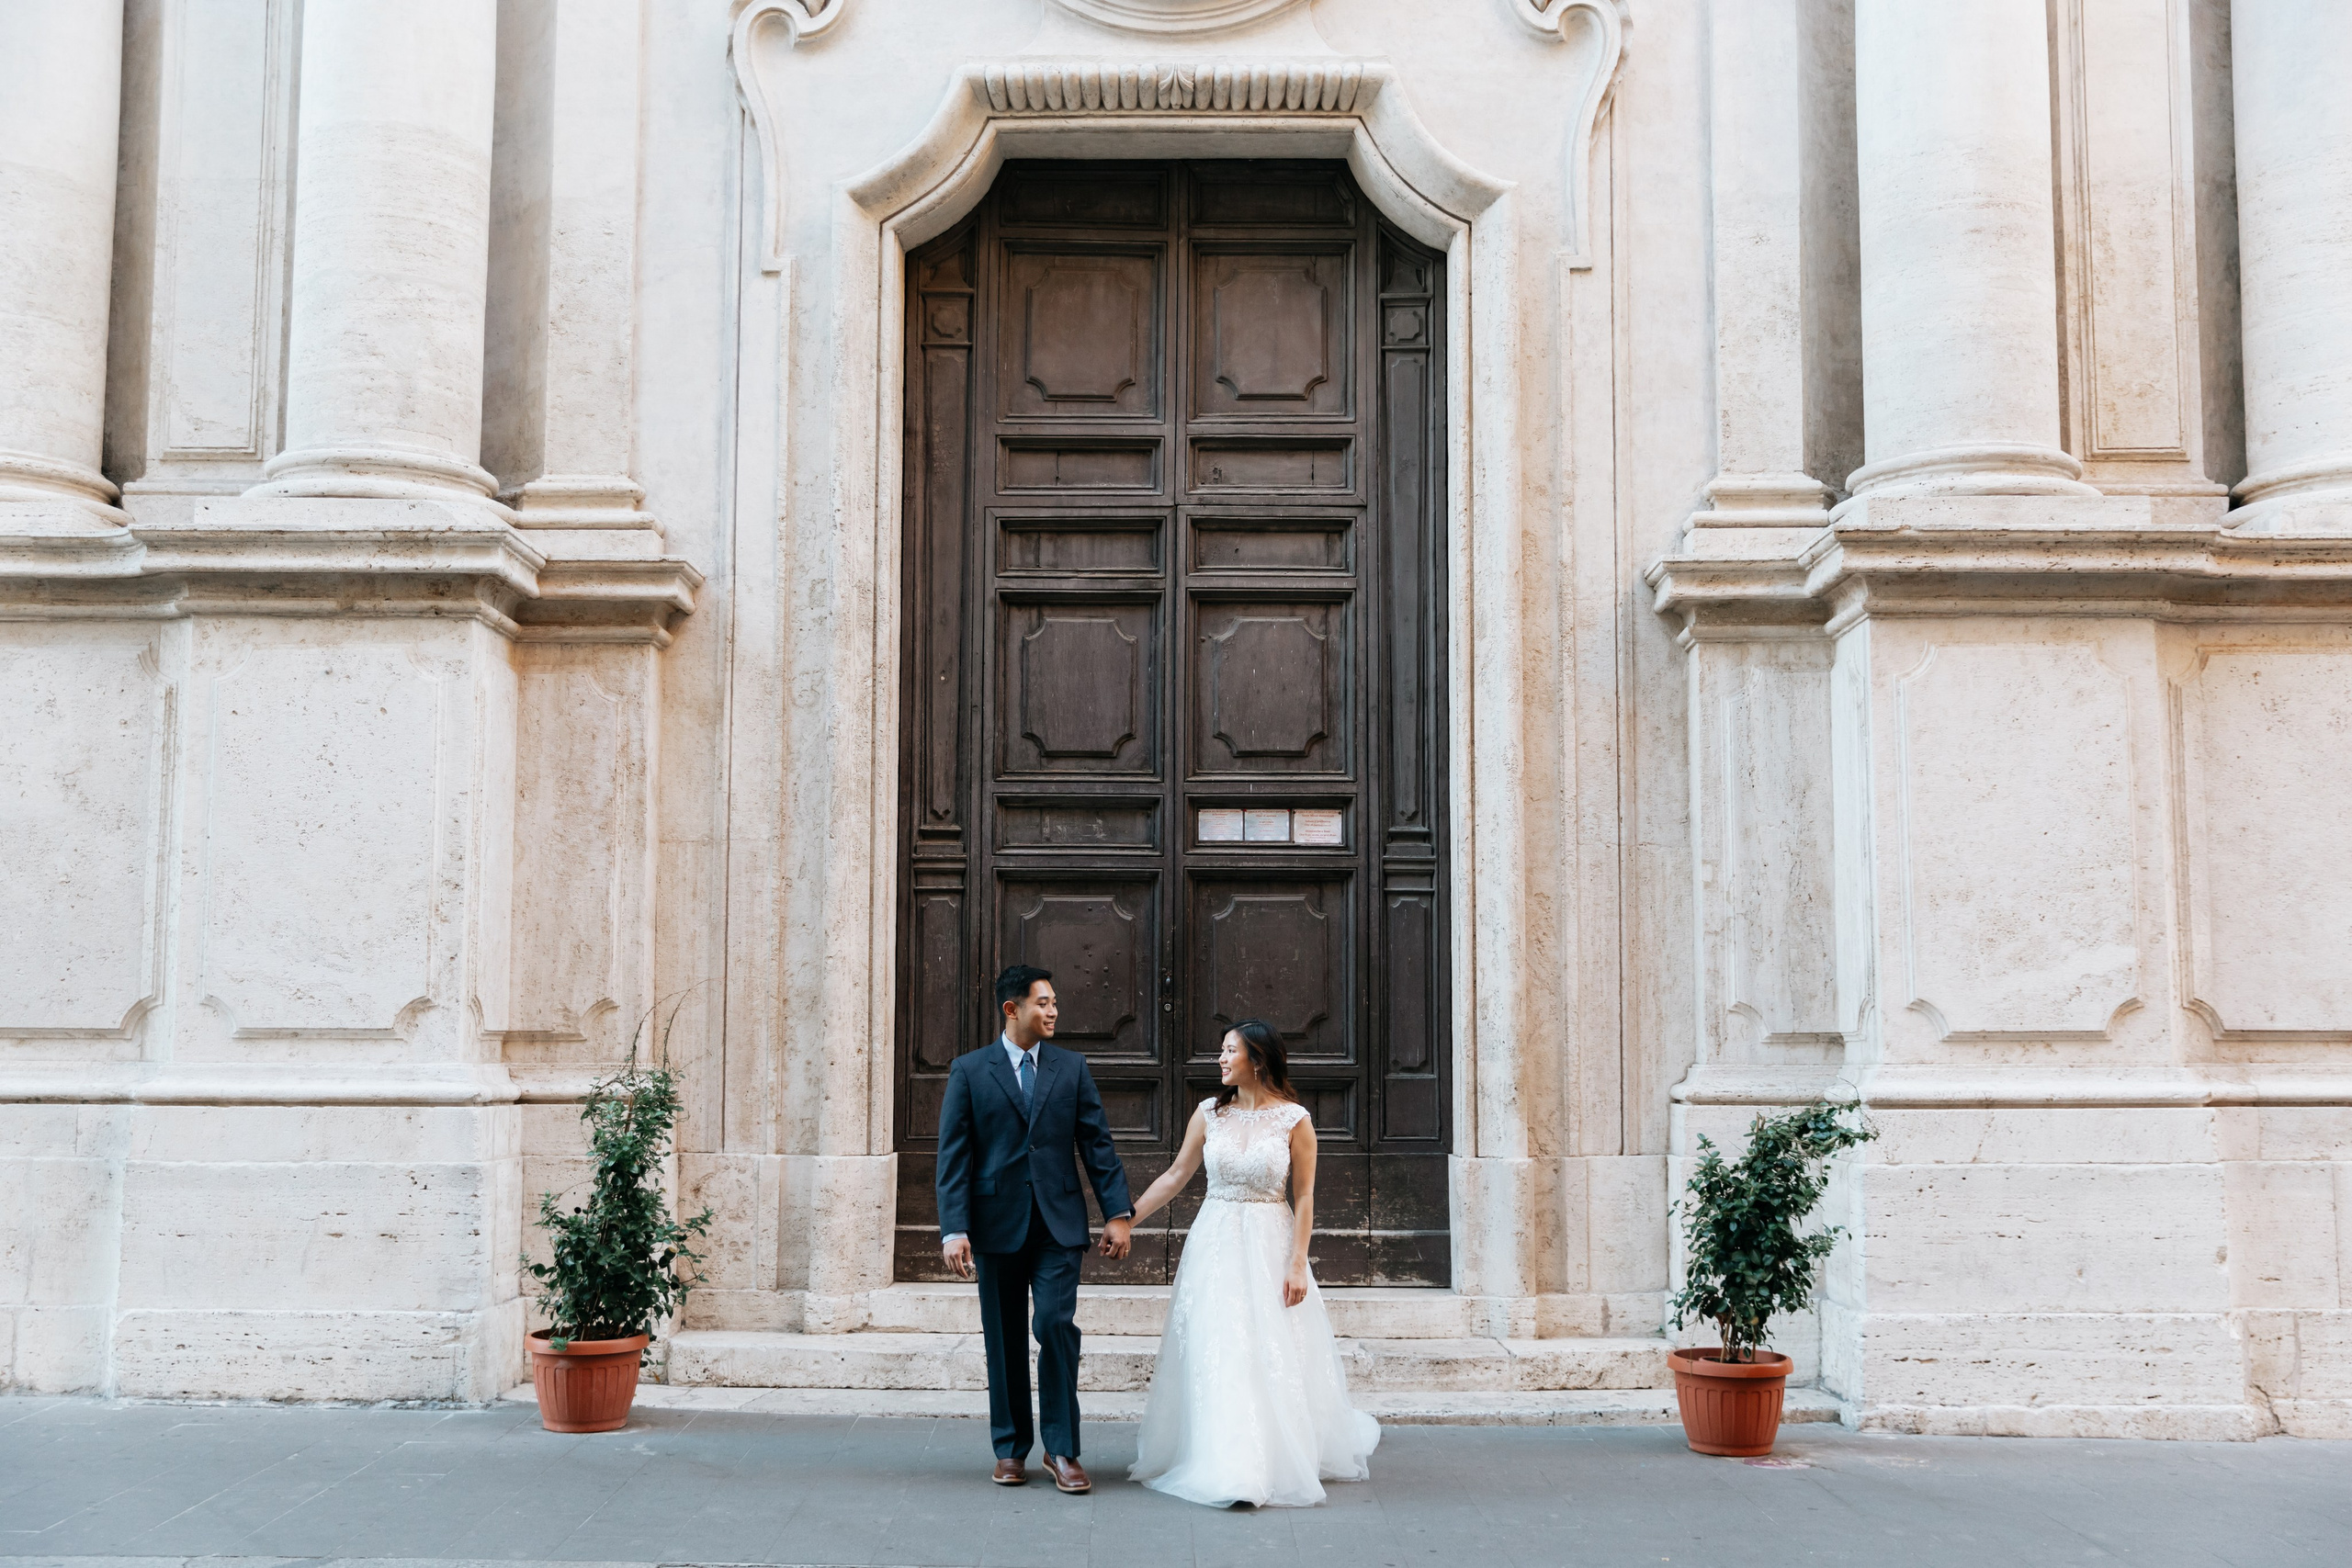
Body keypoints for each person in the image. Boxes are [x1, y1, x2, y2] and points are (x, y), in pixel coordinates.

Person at [1120, 1018, 1379, 1507]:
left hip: (1269, 1241)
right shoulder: (1208, 1114)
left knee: (1270, 1348)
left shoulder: (1293, 1120)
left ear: (1257, 1060)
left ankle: (1271, 1458)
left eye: (1228, 1051)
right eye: (1221, 1050)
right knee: (1221, 1348)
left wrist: (1298, 1263)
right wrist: (1128, 1220)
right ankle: (1230, 1463)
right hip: (1215, 1242)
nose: (1219, 1059)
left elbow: (1304, 1196)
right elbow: (1177, 1175)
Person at [935, 964, 1135, 1493]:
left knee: (1053, 1325)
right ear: (1012, 1009)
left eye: (1054, 1003)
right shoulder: (970, 1071)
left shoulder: (1071, 1068)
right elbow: (954, 1157)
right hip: (995, 1225)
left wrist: (1117, 1213)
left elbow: (1097, 1144)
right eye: (1043, 1003)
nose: (1053, 1011)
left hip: (1057, 1224)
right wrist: (954, 1228)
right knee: (1002, 1340)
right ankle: (1010, 1449)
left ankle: (1063, 1449)